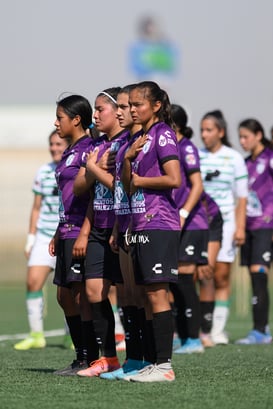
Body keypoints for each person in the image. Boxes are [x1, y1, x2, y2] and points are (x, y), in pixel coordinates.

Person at [120, 81, 181, 382]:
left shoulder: (164, 134)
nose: (132, 109)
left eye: (138, 104)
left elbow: (174, 178)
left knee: (158, 292)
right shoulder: (141, 138)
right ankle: (153, 363)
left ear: (156, 105)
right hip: (141, 223)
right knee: (147, 294)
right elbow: (127, 182)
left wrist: (141, 181)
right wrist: (129, 158)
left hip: (161, 223)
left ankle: (164, 366)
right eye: (129, 104)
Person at [73, 87, 128, 378]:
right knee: (94, 292)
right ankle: (108, 358)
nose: (95, 115)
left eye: (100, 109)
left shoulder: (126, 142)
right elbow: (82, 189)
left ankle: (139, 359)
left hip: (123, 226)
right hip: (98, 228)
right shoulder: (98, 146)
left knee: (132, 296)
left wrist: (94, 167)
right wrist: (92, 167)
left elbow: (122, 188)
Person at [99, 85, 152, 381]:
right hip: (124, 223)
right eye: (119, 107)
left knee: (142, 295)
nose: (122, 112)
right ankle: (133, 359)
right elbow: (122, 189)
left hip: (141, 224)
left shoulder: (143, 141)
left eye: (125, 106)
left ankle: (150, 360)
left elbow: (139, 186)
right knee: (128, 296)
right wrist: (118, 224)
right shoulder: (124, 144)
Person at [49, 94, 99, 375]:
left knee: (80, 297)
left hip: (81, 231)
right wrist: (58, 230)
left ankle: (89, 358)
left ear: (77, 119)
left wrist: (84, 233)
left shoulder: (89, 150)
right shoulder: (69, 151)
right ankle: (81, 356)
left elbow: (94, 197)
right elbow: (66, 197)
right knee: (64, 296)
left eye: (60, 117)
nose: (56, 122)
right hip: (66, 230)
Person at [14, 130, 71, 351]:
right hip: (44, 236)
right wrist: (30, 237)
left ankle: (71, 336)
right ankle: (36, 335)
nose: (54, 148)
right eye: (51, 144)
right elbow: (36, 207)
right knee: (33, 282)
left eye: (59, 144)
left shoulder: (72, 169)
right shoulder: (43, 172)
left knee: (68, 288)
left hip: (66, 235)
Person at [199, 110, 248, 345]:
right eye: (202, 130)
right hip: (202, 223)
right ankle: (202, 327)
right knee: (202, 272)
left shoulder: (234, 158)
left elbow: (242, 198)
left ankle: (218, 329)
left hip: (227, 222)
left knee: (221, 275)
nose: (204, 135)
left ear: (220, 131)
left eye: (209, 130)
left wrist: (240, 228)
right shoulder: (197, 156)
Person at [169, 104, 211, 354]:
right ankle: (182, 335)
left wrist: (184, 213)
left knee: (185, 280)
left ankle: (193, 339)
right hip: (173, 223)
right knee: (174, 280)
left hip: (192, 224)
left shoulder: (187, 148)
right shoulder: (169, 148)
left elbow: (197, 185)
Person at [235, 118, 273, 344]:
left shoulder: (269, 159)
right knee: (253, 275)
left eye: (246, 136)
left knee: (259, 274)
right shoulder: (245, 163)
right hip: (247, 227)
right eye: (240, 136)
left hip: (265, 226)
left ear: (258, 135)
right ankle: (261, 328)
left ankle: (260, 331)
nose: (242, 141)